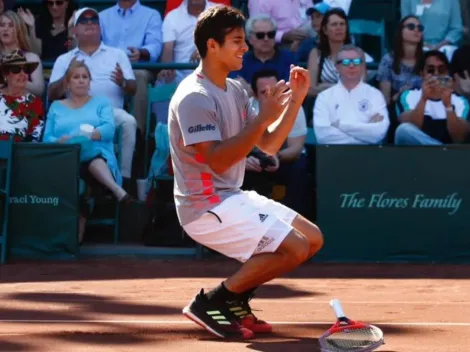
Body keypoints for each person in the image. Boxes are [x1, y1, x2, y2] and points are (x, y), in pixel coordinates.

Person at [168, 6, 323, 339]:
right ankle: (214, 300)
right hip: (204, 206)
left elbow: (267, 144)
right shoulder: (193, 97)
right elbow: (219, 161)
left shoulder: (235, 88)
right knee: (293, 248)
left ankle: (236, 299)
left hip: (231, 197)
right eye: (237, 41)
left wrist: (294, 101)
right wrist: (262, 118)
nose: (245, 48)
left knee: (312, 239)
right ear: (212, 46)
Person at [43, 60, 132, 243]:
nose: (81, 81)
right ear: (67, 83)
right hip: (65, 158)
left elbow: (109, 129)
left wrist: (89, 136)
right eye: (76, 77)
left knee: (84, 148)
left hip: (99, 157)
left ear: (90, 82)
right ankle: (117, 191)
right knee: (78, 154)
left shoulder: (101, 103)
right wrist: (61, 141)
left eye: (85, 77)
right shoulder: (56, 107)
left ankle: (78, 223)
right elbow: (47, 138)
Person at [0, 50, 44, 141]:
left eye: (26, 69)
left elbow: (35, 138)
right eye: (16, 69)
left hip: (20, 153)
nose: (22, 74)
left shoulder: (35, 103)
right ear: (6, 74)